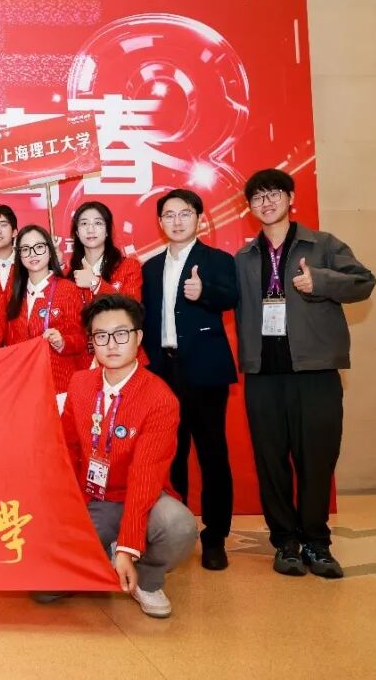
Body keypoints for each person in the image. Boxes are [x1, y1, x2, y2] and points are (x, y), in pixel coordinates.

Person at [235, 168, 375, 579]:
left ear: (291, 197)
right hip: (263, 373)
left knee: (317, 458)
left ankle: (317, 542)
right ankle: (285, 542)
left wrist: (322, 281)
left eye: (274, 193)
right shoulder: (244, 258)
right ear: (249, 207)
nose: (266, 202)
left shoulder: (323, 244)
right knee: (271, 461)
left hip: (315, 371)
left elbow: (364, 282)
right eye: (257, 197)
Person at [49, 294, 198, 618]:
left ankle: (146, 577)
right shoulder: (80, 383)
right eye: (101, 336)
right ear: (92, 342)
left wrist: (129, 548)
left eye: (121, 334)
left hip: (142, 497)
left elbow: (145, 476)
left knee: (179, 525)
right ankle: (105, 555)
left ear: (138, 337)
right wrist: (67, 511)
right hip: (94, 498)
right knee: (45, 589)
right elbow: (67, 450)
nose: (111, 344)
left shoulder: (160, 399)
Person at [140, 189, 238, 571]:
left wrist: (204, 291)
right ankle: (176, 533)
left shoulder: (217, 260)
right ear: (160, 222)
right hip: (162, 371)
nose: (177, 221)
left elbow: (231, 295)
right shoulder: (150, 267)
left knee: (212, 454)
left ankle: (215, 537)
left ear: (198, 218)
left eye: (184, 213)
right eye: (169, 215)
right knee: (170, 454)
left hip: (204, 371)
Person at [5, 224, 85, 395]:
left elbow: (81, 339)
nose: (32, 254)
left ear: (50, 251)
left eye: (39, 247)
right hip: (23, 384)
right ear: (19, 255)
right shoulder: (13, 292)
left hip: (58, 384)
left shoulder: (67, 289)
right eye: (25, 249)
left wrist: (62, 342)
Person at [67, 200, 142, 306]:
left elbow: (132, 309)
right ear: (77, 233)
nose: (90, 229)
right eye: (84, 223)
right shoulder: (68, 273)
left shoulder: (129, 266)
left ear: (107, 231)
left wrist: (96, 284)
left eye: (98, 223)